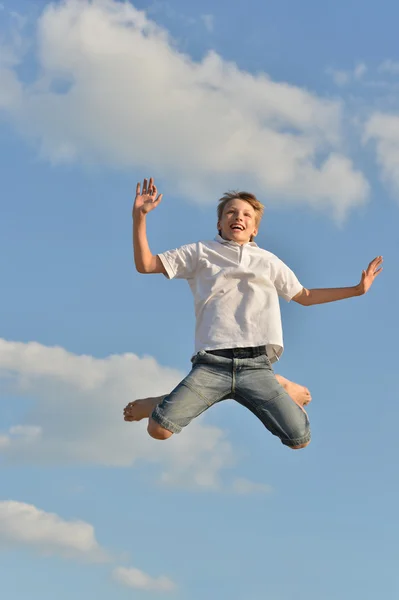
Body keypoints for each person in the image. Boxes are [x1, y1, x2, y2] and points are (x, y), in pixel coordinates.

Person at [124, 177, 382, 449]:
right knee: (158, 430)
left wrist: (355, 290)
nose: (239, 217)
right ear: (219, 223)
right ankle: (170, 401)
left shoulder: (268, 261)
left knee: (299, 440)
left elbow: (304, 296)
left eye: (247, 215)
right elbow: (146, 264)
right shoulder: (200, 252)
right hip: (212, 364)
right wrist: (139, 217)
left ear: (254, 229)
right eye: (231, 213)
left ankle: (279, 386)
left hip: (257, 365)